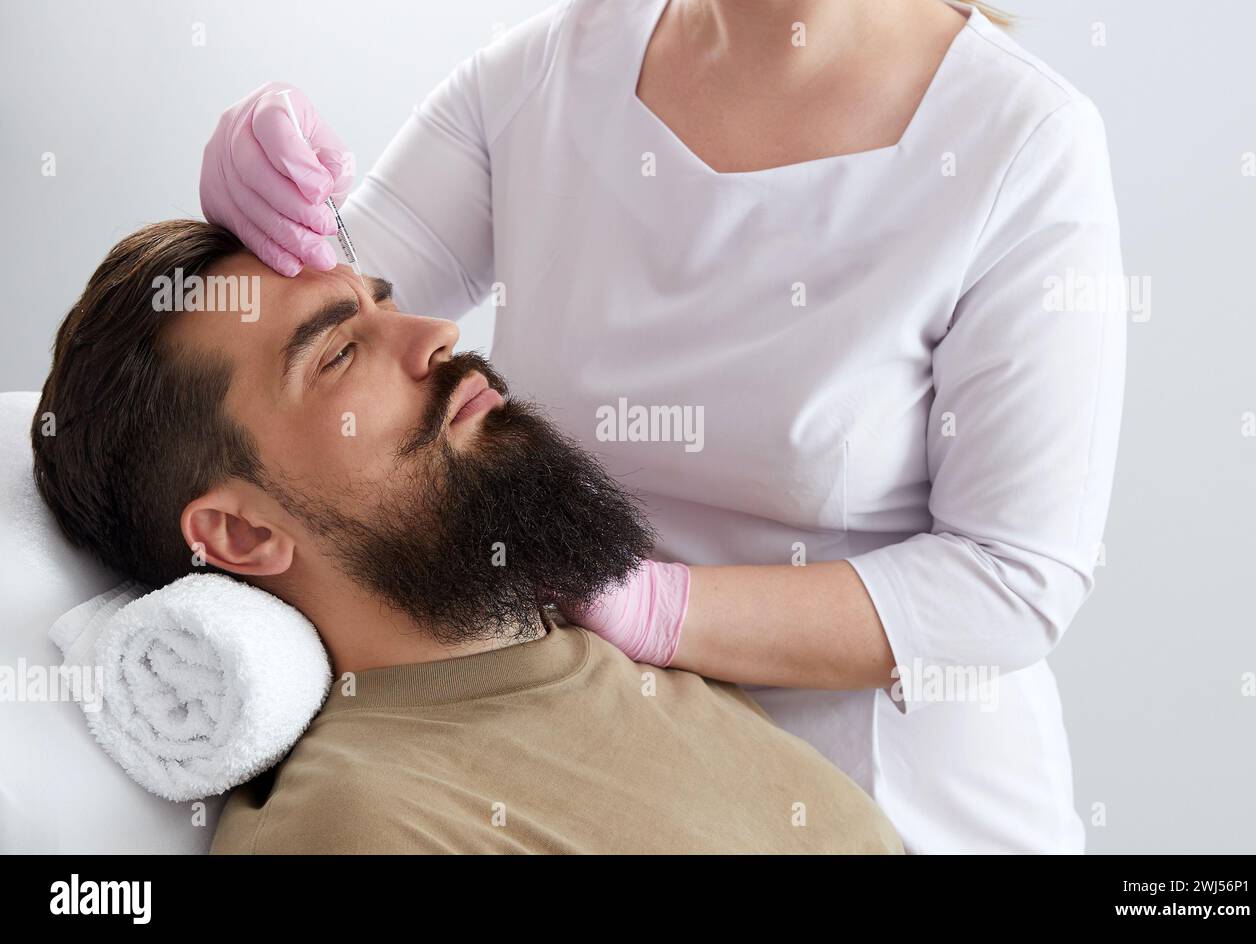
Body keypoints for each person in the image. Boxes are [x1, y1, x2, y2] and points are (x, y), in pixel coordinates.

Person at [200, 0, 1126, 852]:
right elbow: (316, 331)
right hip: (605, 760)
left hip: (894, 802)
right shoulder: (547, 72)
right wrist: (261, 220)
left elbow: (1012, 578)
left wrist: (662, 608)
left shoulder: (1020, 143)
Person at [30, 219, 903, 854]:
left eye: (383, 304)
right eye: (337, 353)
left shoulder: (617, 659)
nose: (437, 335)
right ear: (240, 532)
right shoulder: (365, 826)